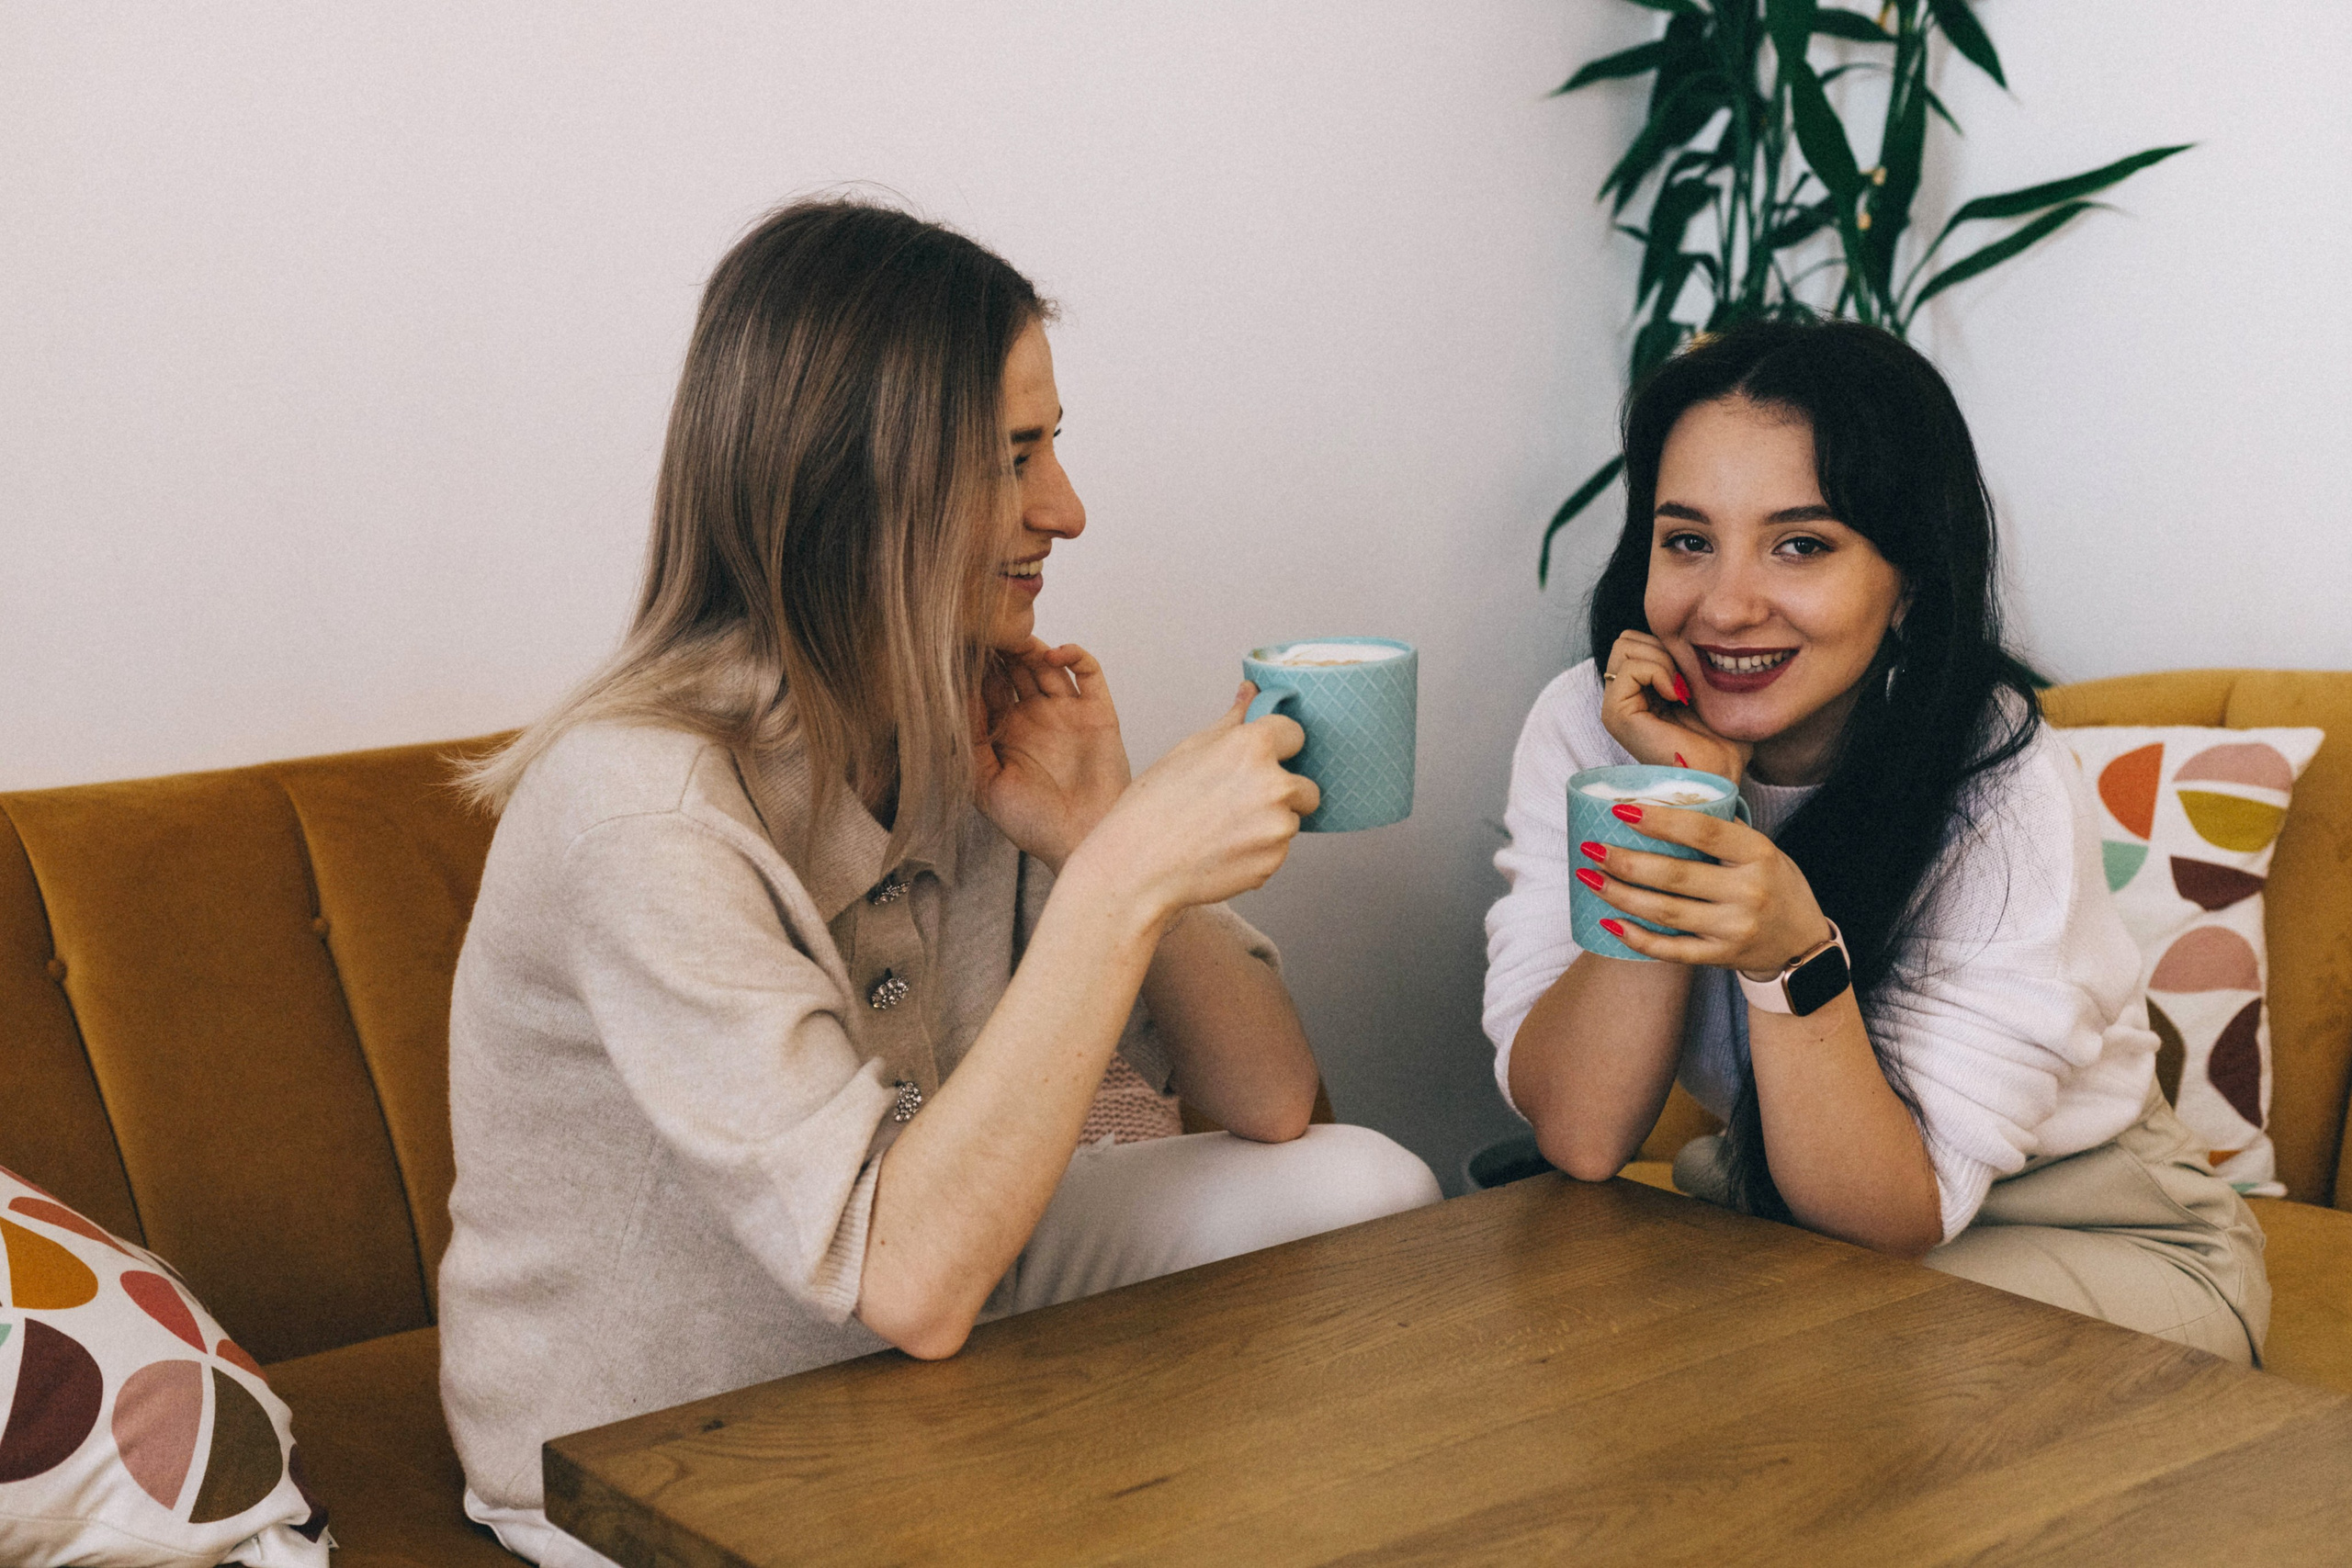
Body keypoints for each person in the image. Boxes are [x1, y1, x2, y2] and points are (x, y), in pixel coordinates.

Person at [437, 198, 1439, 1567]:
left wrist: (1100, 835)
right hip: (652, 1423)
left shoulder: (961, 726)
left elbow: (1272, 1103)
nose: (1065, 510)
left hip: (936, 1293)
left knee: (1365, 1184)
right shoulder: (641, 806)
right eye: (1012, 457)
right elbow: (900, 1272)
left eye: (1055, 445)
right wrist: (1127, 873)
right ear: (853, 485)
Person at [1485, 318, 2267, 1364]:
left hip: (2091, 1230)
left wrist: (1788, 958)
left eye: (1800, 544)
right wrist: (1671, 805)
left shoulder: (1998, 777)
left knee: (1787, 1362)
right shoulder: (1590, 728)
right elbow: (1582, 1137)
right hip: (1792, 1215)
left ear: (1906, 581)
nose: (1724, 604)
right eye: (1686, 540)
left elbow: (1890, 1211)